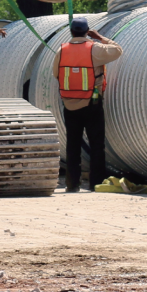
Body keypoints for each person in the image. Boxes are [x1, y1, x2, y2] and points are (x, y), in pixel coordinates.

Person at [52, 16, 122, 192]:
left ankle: (72, 184)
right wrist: (99, 37)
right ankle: (96, 183)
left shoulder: (62, 50)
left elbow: (56, 73)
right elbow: (117, 50)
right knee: (97, 144)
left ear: (71, 31)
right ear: (87, 31)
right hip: (92, 102)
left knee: (73, 145)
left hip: (69, 104)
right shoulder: (94, 49)